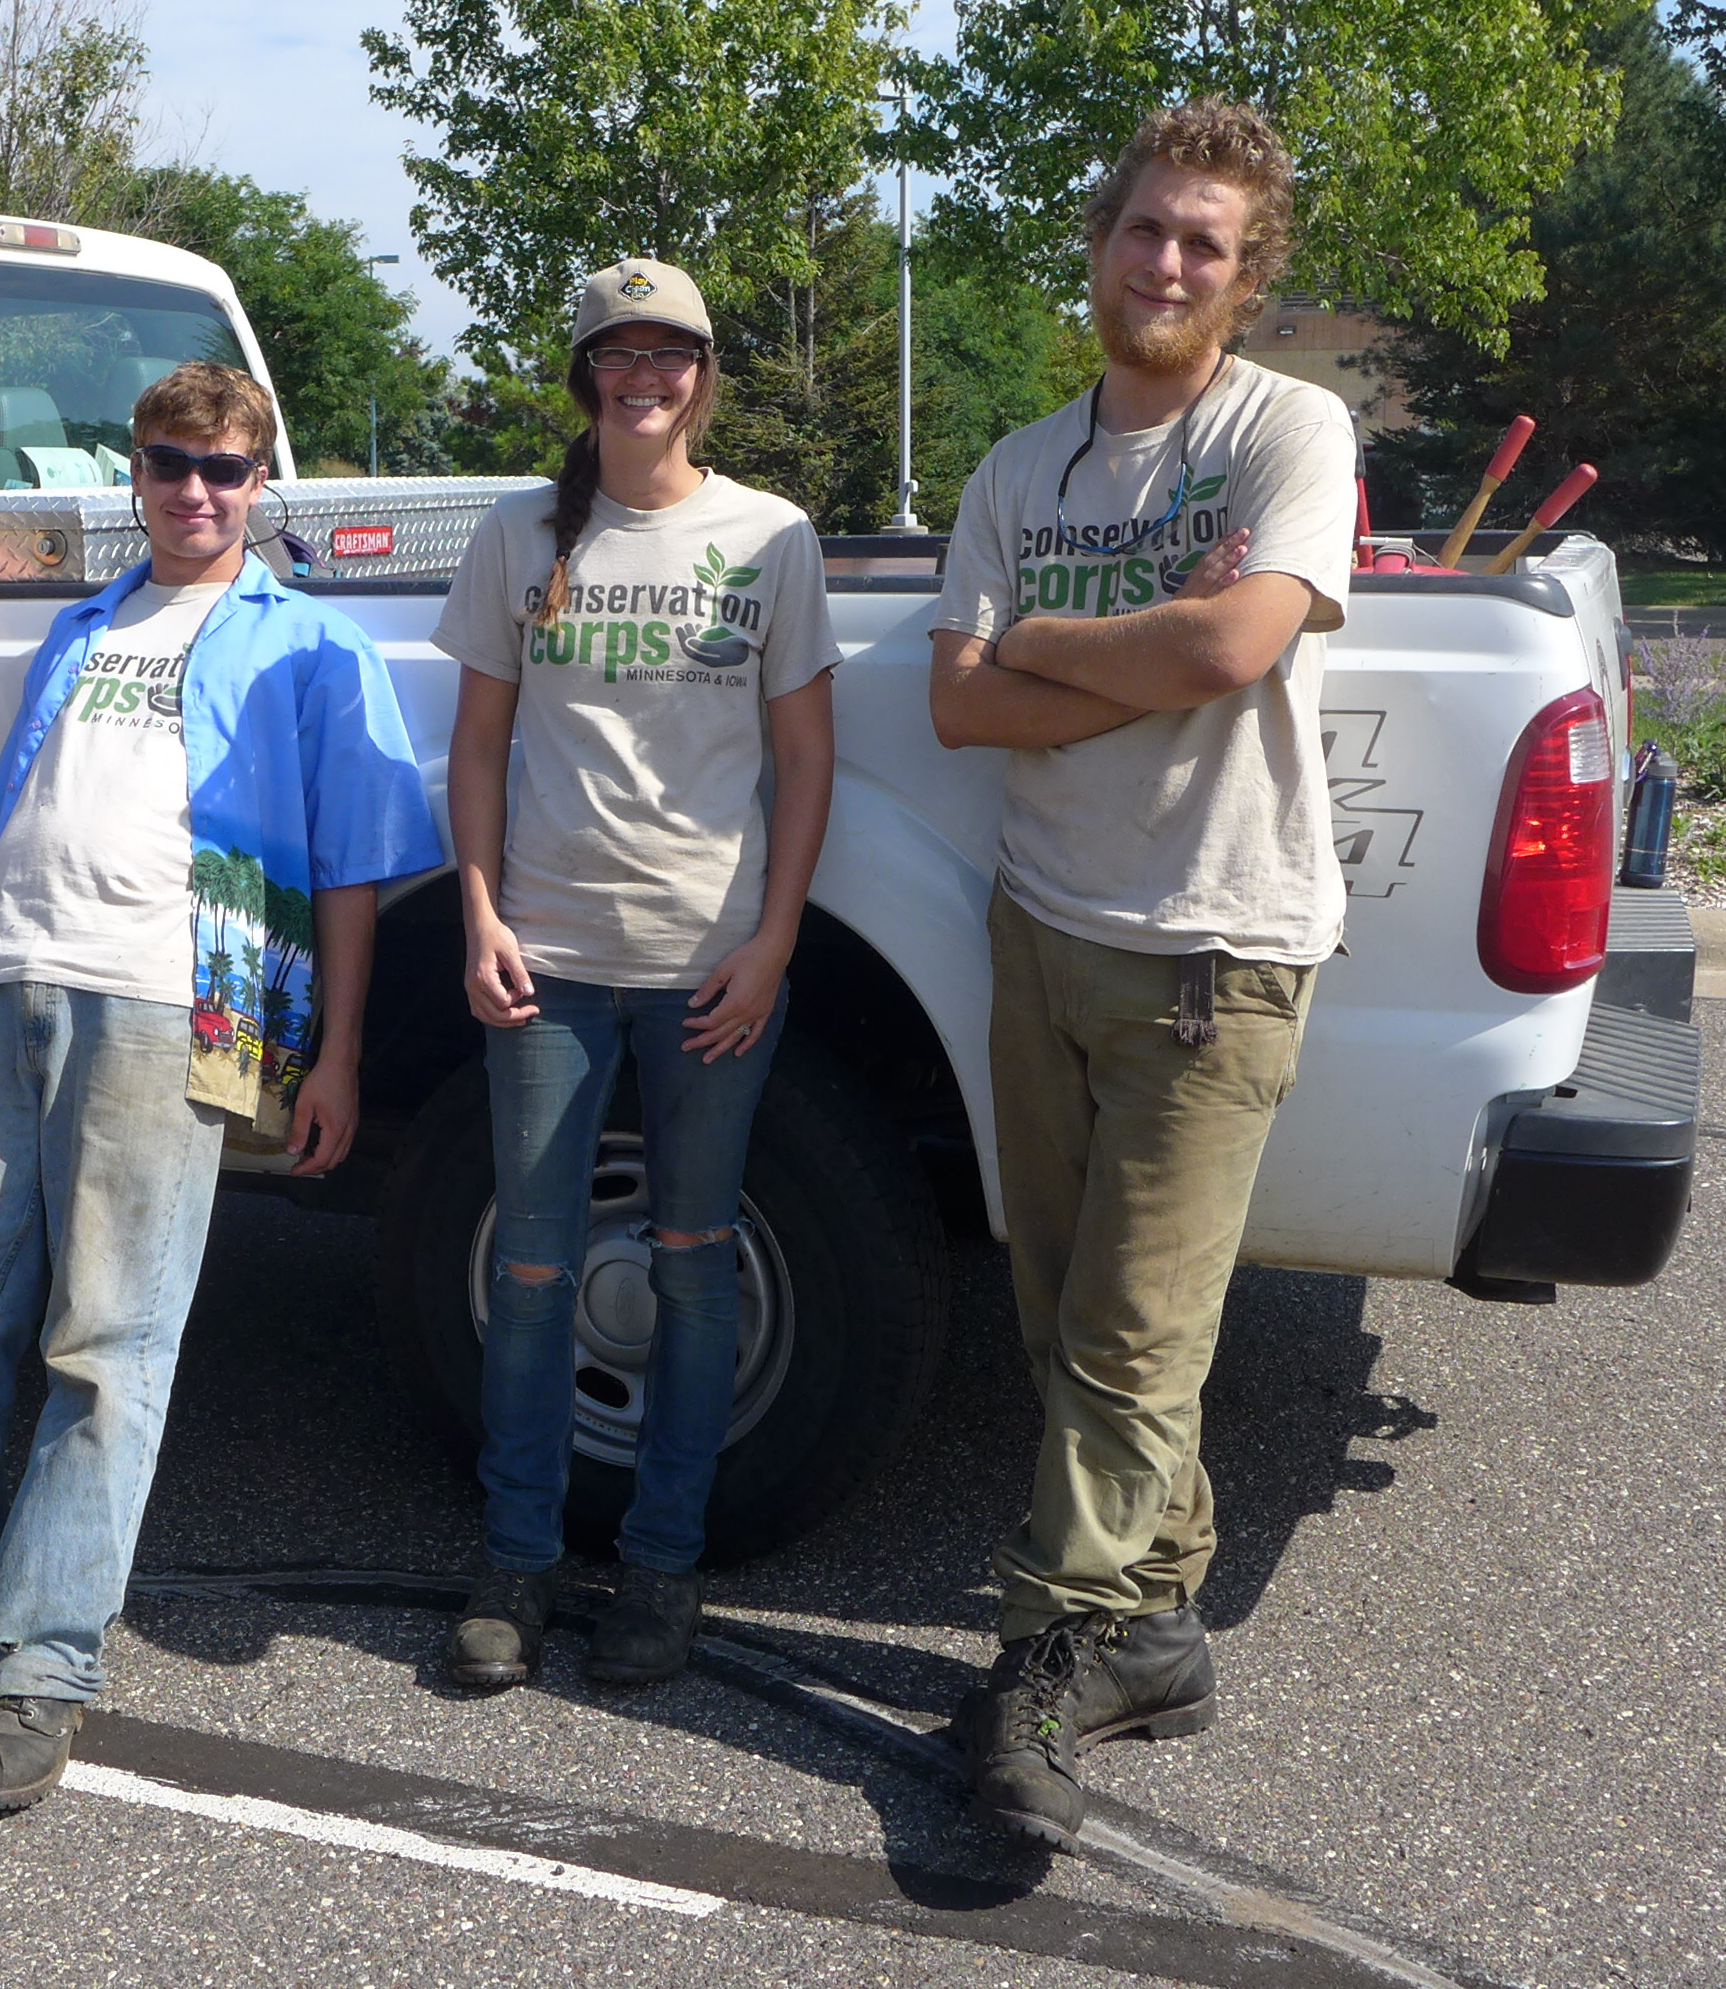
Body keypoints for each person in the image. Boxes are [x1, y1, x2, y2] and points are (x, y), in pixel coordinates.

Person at [0, 361, 445, 1813]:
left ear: (264, 487)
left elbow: (354, 867)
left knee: (108, 1340)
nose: (194, 492)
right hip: (3, 976)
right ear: (133, 476)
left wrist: (330, 1051)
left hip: (170, 1001)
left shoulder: (311, 650)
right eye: (168, 464)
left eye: (224, 470)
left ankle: (41, 1665)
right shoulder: (81, 625)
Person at [922, 100, 1350, 1846]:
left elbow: (1242, 637)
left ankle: (1044, 1651)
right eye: (1145, 230)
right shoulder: (1019, 469)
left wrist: (1043, 639)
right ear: (1097, 245)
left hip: (1214, 944)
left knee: (1129, 1333)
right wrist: (1150, 660)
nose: (1166, 263)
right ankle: (1155, 1626)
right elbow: (958, 702)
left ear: (1247, 279)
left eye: (1206, 243)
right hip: (1046, 925)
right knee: (1056, 1307)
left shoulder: (1287, 430)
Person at [426, 258, 835, 1693]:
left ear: (705, 377)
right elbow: (476, 746)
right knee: (533, 1270)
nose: (643, 377)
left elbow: (804, 757)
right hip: (549, 963)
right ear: (587, 378)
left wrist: (775, 938)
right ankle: (518, 1563)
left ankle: (662, 1574)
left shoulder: (769, 540)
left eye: (670, 355)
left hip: (711, 964)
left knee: (691, 1264)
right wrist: (478, 913)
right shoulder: (522, 536)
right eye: (617, 354)